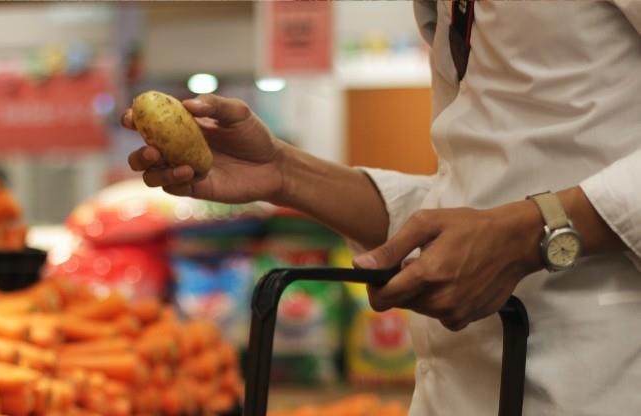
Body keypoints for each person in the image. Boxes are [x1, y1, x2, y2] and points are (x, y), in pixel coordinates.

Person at [124, 2, 640, 415]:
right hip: (463, 387)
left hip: (597, 381)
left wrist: (534, 231)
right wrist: (284, 172)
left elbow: (505, 220)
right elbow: (468, 203)